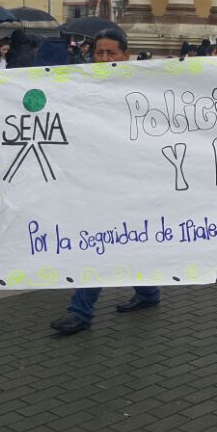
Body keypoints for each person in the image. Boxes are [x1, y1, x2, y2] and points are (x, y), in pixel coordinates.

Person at [50, 28, 161, 336]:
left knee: (104, 242)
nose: (104, 58)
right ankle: (148, 292)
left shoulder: (144, 87)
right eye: (99, 52)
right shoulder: (80, 86)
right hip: (97, 179)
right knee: (116, 238)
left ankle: (80, 311)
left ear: (126, 55)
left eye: (111, 53)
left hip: (134, 179)